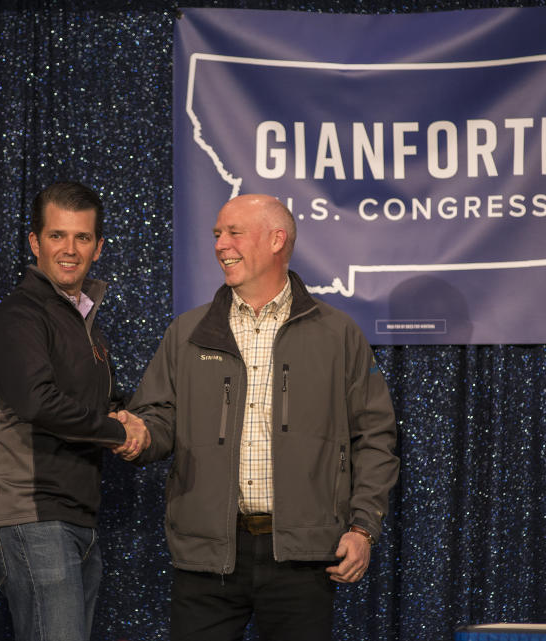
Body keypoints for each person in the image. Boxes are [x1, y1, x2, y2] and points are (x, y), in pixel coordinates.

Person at [118, 194, 399, 640]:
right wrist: (141, 433)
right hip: (206, 555)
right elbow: (158, 419)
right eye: (216, 234)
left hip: (302, 557)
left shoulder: (337, 333)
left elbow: (375, 437)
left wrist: (363, 528)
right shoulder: (187, 333)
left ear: (276, 240)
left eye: (234, 233)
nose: (220, 245)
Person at [0, 181, 150, 641]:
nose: (69, 249)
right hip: (29, 515)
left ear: (98, 247)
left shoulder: (84, 323)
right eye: (56, 236)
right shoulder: (20, 316)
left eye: (82, 238)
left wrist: (140, 420)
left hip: (74, 517)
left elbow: (98, 403)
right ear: (35, 242)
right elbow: (38, 402)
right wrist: (116, 431)